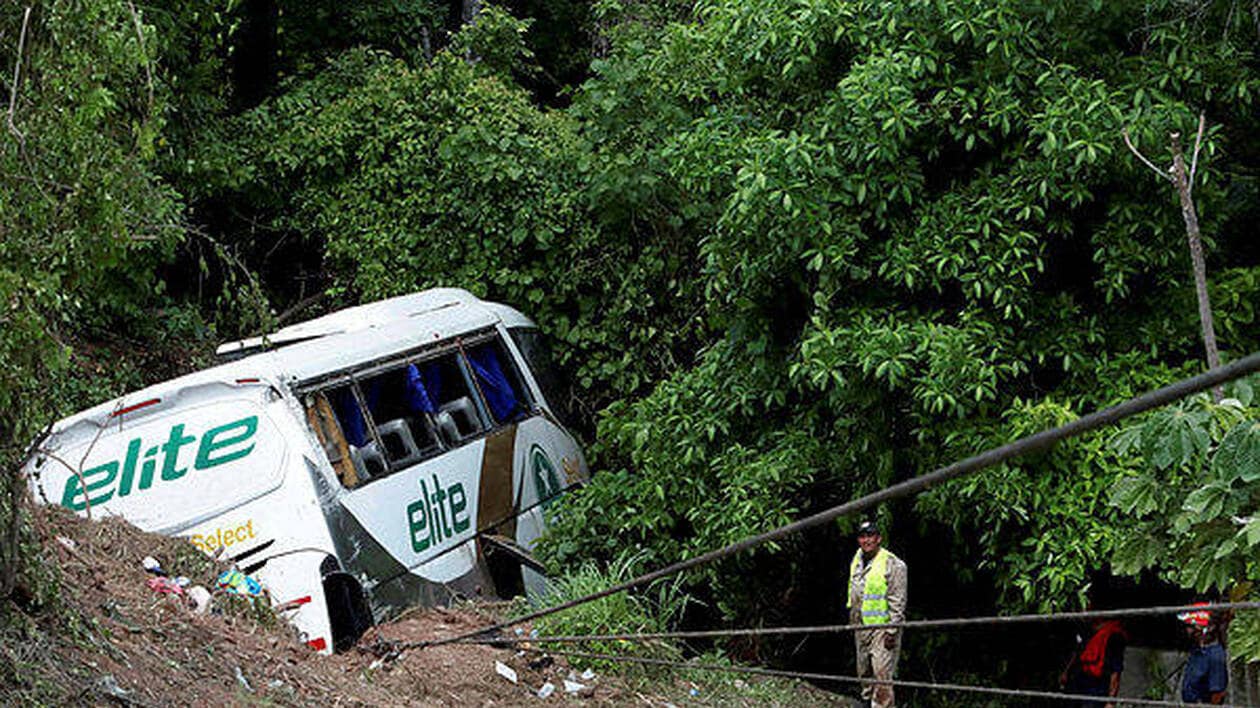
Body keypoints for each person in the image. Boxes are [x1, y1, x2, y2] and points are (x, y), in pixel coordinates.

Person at [848, 519, 907, 708]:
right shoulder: (857, 559)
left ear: (879, 538)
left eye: (870, 536)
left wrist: (892, 631)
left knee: (882, 674)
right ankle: (867, 703)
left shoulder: (893, 564)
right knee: (863, 671)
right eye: (862, 536)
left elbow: (898, 601)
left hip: (883, 628)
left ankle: (883, 706)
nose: (866, 541)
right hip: (861, 625)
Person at [1059, 614, 1127, 707]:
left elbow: (1116, 671)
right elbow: (1077, 652)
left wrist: (1111, 701)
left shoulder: (1114, 635)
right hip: (1078, 680)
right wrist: (1066, 672)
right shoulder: (1087, 631)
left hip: (1097, 686)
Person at [1179, 604, 1228, 704]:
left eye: (1192, 626)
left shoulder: (1215, 656)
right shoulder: (1196, 651)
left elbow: (1217, 694)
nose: (1188, 630)